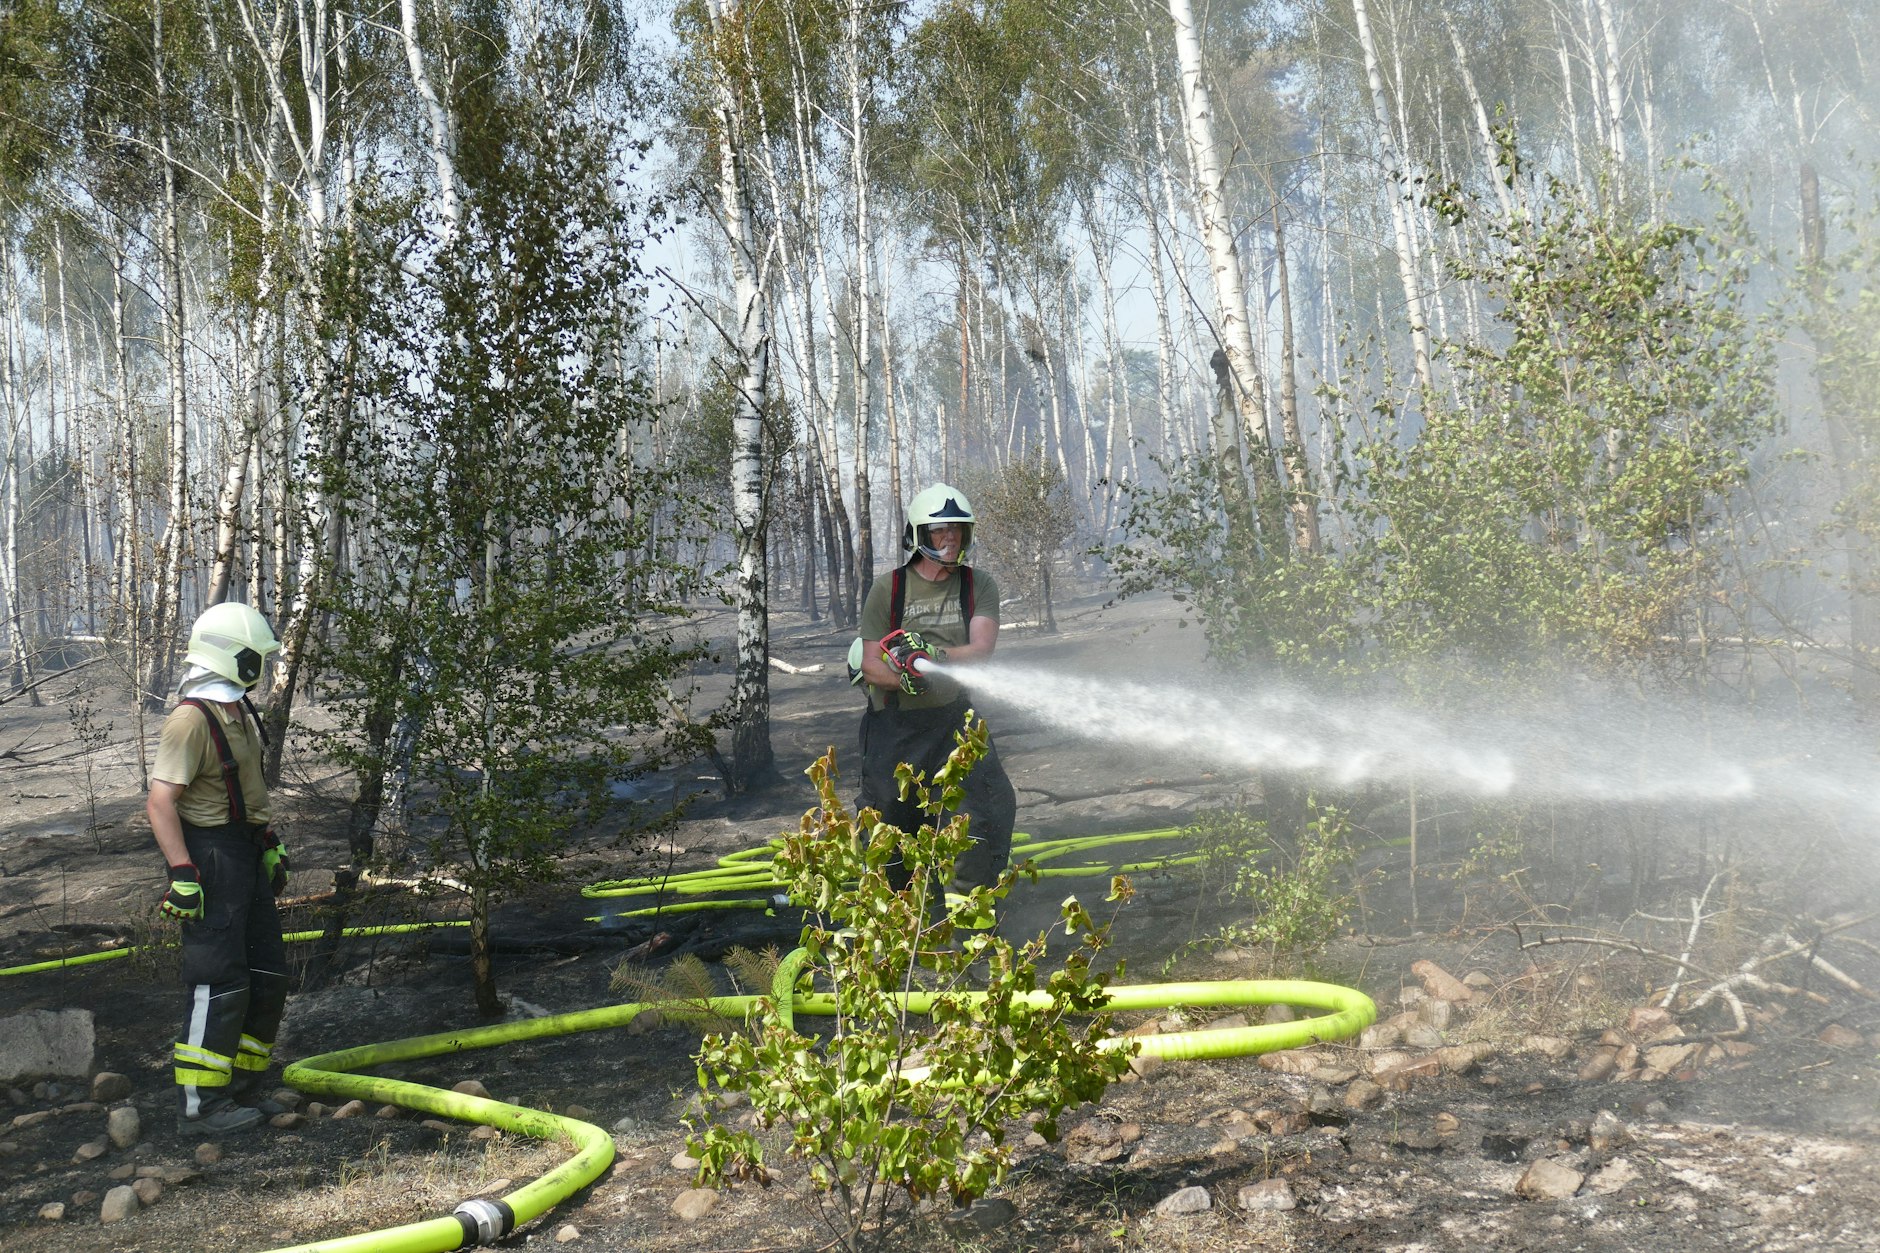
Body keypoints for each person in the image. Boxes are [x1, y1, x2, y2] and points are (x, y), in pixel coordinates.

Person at [147, 602, 291, 1135]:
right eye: (256, 656)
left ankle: (244, 1088)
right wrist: (182, 871)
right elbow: (161, 803)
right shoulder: (190, 720)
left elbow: (246, 790)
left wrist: (268, 842)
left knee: (267, 974)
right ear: (233, 656)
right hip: (210, 859)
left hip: (245, 851)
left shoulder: (236, 710)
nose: (263, 665)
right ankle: (201, 1106)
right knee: (218, 982)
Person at [853, 483, 1017, 896]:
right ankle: (897, 918)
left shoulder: (978, 585)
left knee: (984, 812)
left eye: (957, 531)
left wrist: (936, 657)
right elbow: (871, 664)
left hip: (954, 723)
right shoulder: (887, 589)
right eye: (940, 530)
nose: (949, 539)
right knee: (889, 820)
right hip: (896, 728)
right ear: (918, 535)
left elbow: (981, 651)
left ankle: (970, 916)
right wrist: (904, 679)